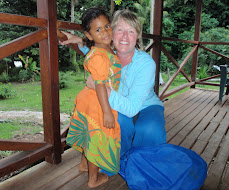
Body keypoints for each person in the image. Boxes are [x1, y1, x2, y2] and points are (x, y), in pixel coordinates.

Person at [61, 9, 207, 190]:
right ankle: (113, 160)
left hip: (145, 106)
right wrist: (78, 41)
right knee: (115, 122)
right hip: (117, 106)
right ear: (112, 32)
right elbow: (94, 54)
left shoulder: (146, 63)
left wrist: (104, 90)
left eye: (131, 31)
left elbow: (131, 108)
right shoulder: (107, 53)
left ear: (137, 36)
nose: (124, 36)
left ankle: (145, 166)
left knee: (150, 129)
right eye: (120, 30)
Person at [65, 7, 121, 188]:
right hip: (99, 102)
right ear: (90, 35)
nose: (105, 32)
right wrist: (107, 112)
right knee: (97, 140)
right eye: (98, 30)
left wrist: (78, 40)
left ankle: (83, 165)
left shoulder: (101, 49)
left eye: (106, 26)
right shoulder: (100, 56)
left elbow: (93, 47)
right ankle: (93, 179)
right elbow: (99, 84)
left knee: (90, 134)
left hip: (89, 100)